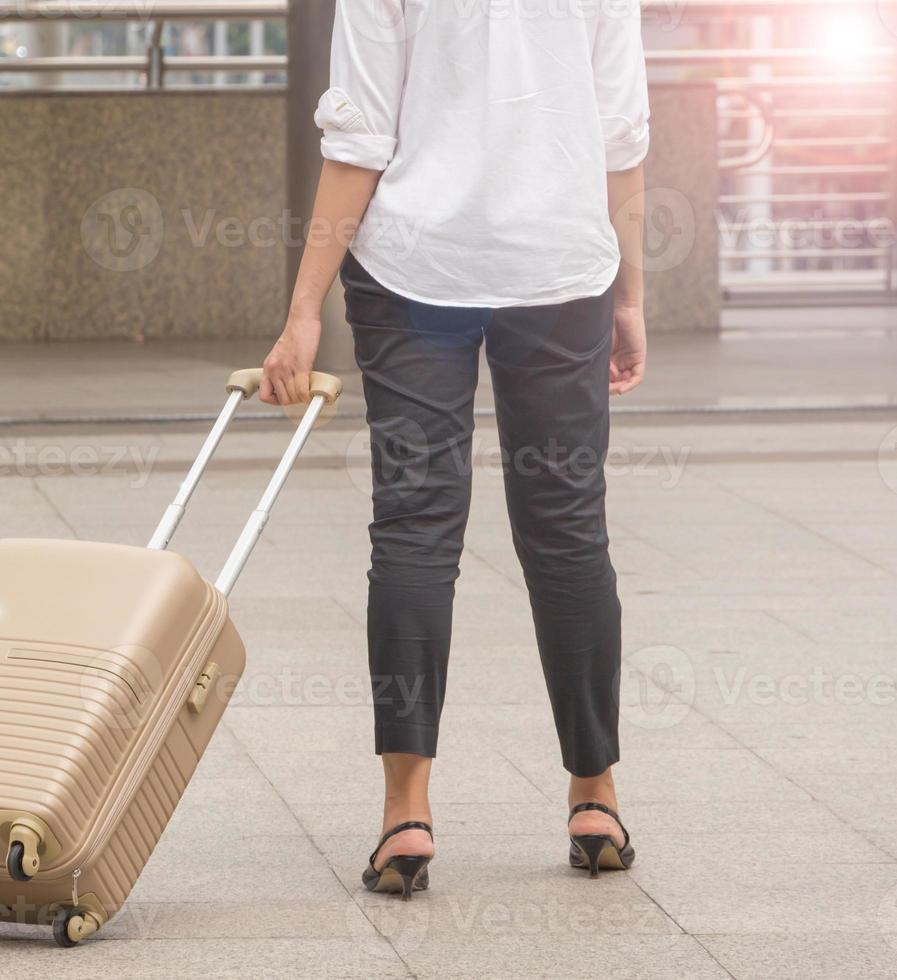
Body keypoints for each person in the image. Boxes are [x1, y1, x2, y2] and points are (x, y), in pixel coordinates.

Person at [260, 0, 650, 896]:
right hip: (557, 269)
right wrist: (628, 298)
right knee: (566, 534)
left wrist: (302, 310)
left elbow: (356, 139)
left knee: (412, 530)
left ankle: (406, 813)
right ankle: (593, 797)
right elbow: (619, 137)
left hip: (413, 272)